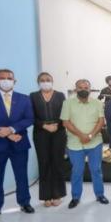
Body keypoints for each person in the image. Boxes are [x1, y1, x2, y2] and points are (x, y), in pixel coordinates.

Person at [0, 69, 35, 222]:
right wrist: (7, 133)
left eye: (9, 78)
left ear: (14, 80)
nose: (6, 80)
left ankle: (25, 203)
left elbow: (29, 119)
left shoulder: (24, 99)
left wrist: (11, 130)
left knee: (21, 176)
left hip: (19, 143)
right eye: (2, 78)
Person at [61, 79, 109, 208]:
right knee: (77, 170)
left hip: (95, 143)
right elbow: (66, 122)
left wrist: (90, 135)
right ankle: (75, 197)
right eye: (80, 87)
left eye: (86, 87)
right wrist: (81, 135)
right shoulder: (67, 103)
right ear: (76, 89)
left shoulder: (98, 103)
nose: (83, 89)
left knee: (96, 169)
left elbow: (101, 122)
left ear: (90, 89)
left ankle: (100, 195)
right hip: (75, 144)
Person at [30, 72, 67, 207]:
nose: (45, 82)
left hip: (59, 131)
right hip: (41, 133)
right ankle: (46, 196)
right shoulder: (33, 96)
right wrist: (44, 125)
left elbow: (65, 113)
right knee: (44, 162)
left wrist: (56, 125)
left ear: (52, 81)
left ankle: (57, 194)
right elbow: (30, 116)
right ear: (38, 82)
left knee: (57, 162)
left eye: (48, 80)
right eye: (42, 80)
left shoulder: (60, 95)